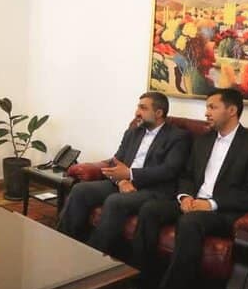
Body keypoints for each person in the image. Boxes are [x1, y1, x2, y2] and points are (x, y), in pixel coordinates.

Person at [134, 88, 248, 289]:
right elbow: (187, 175)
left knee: (190, 223)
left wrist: (210, 204)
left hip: (222, 212)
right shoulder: (203, 140)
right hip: (193, 202)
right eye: (206, 107)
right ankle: (144, 283)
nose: (206, 113)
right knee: (150, 210)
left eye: (212, 107)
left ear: (232, 110)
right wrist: (185, 196)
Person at [58, 92, 190, 257]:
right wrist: (121, 181)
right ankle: (63, 244)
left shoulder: (178, 137)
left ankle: (94, 257)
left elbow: (169, 170)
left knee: (115, 201)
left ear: (158, 113)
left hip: (153, 189)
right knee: (80, 190)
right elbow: (115, 161)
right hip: (123, 183)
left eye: (143, 108)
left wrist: (130, 174)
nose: (137, 112)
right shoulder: (133, 132)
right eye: (138, 107)